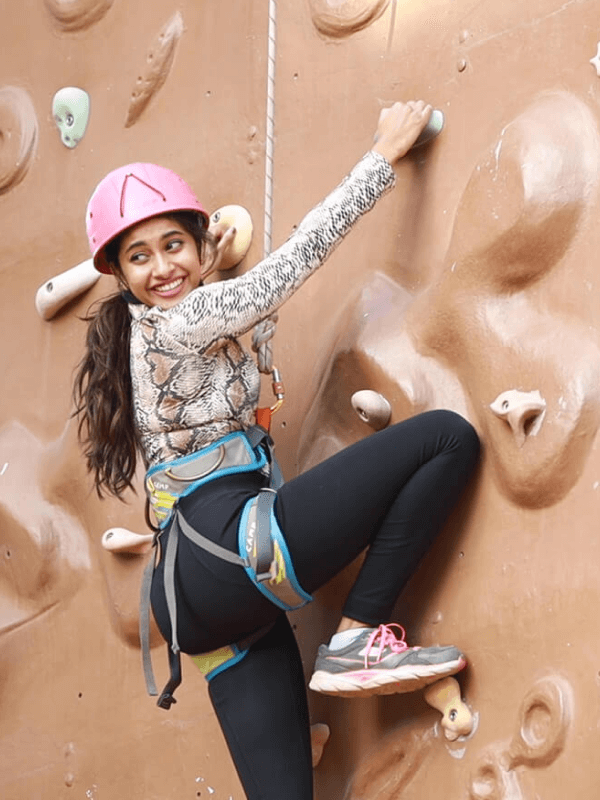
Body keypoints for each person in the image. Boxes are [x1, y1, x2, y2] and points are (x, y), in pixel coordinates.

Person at [73, 100, 480, 800]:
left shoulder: (157, 330)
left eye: (173, 245)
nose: (161, 267)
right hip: (231, 550)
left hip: (195, 601)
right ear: (120, 274)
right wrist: (382, 156)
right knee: (448, 438)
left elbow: (240, 308)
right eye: (139, 256)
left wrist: (215, 264)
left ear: (200, 244)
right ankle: (355, 639)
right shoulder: (182, 320)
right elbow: (287, 271)